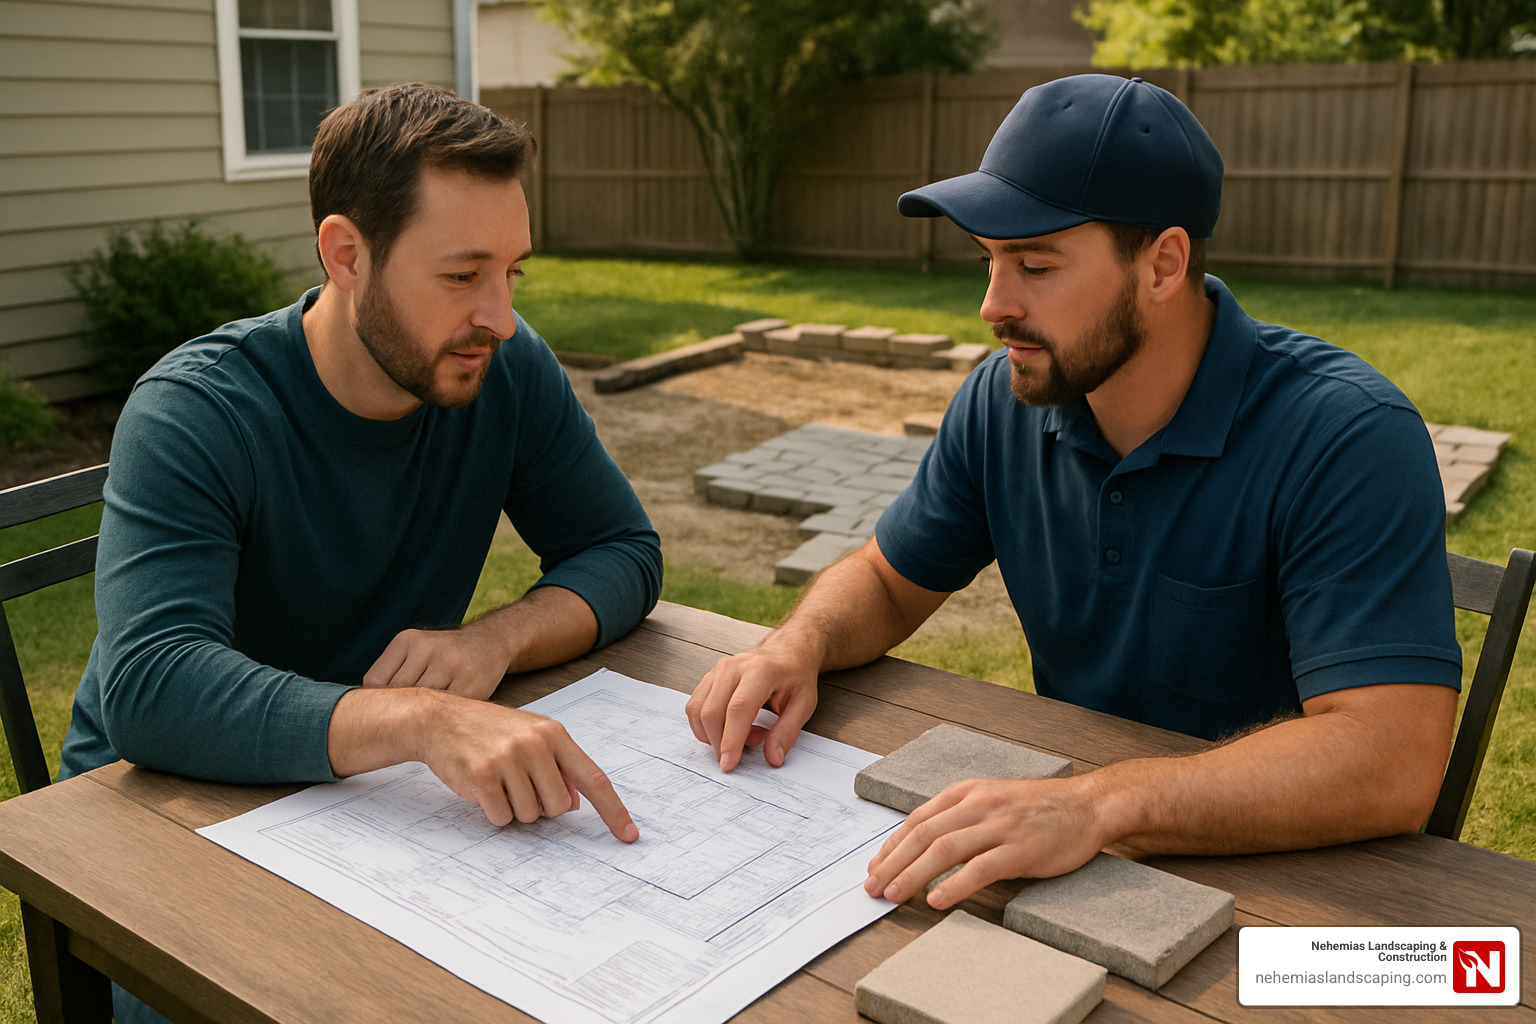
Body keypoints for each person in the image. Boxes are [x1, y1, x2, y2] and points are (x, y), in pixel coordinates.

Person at [687, 74, 1461, 912]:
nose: (993, 304)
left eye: (1036, 264)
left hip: (1296, 890)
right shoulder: (1004, 400)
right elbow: (884, 577)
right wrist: (794, 644)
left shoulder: (1345, 435)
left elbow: (1392, 759)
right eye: (989, 260)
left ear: (1163, 264)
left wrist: (1098, 804)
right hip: (1067, 863)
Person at [62, 86, 661, 841]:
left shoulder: (503, 369)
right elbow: (154, 688)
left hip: (362, 798)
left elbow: (621, 550)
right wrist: (420, 720)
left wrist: (493, 640)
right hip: (150, 814)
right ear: (346, 255)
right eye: (461, 275)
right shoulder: (195, 410)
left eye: (513, 272)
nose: (500, 318)